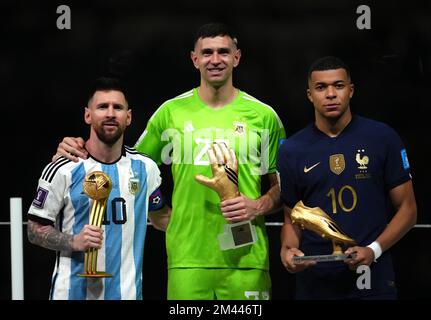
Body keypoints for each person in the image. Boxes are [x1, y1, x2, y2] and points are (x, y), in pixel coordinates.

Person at [52, 23, 286, 300]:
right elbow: (129, 167)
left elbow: (285, 186)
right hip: (186, 259)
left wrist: (257, 205)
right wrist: (78, 149)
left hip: (248, 258)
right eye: (207, 52)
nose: (215, 59)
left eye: (223, 52)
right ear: (194, 59)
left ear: (236, 57)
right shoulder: (171, 113)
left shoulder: (264, 116)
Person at [277, 56, 417, 299]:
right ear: (310, 95)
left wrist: (374, 250)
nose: (330, 94)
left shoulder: (382, 138)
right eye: (321, 87)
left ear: (351, 91)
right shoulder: (292, 149)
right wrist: (288, 251)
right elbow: (292, 218)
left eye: (338, 86)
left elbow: (408, 209)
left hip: (372, 277)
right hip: (315, 282)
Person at [28, 77, 171, 300]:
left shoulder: (146, 169)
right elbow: (34, 229)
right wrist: (74, 241)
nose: (111, 113)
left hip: (128, 294)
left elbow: (162, 217)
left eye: (118, 107)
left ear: (129, 117)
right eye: (103, 107)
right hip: (71, 294)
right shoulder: (63, 168)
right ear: (88, 115)